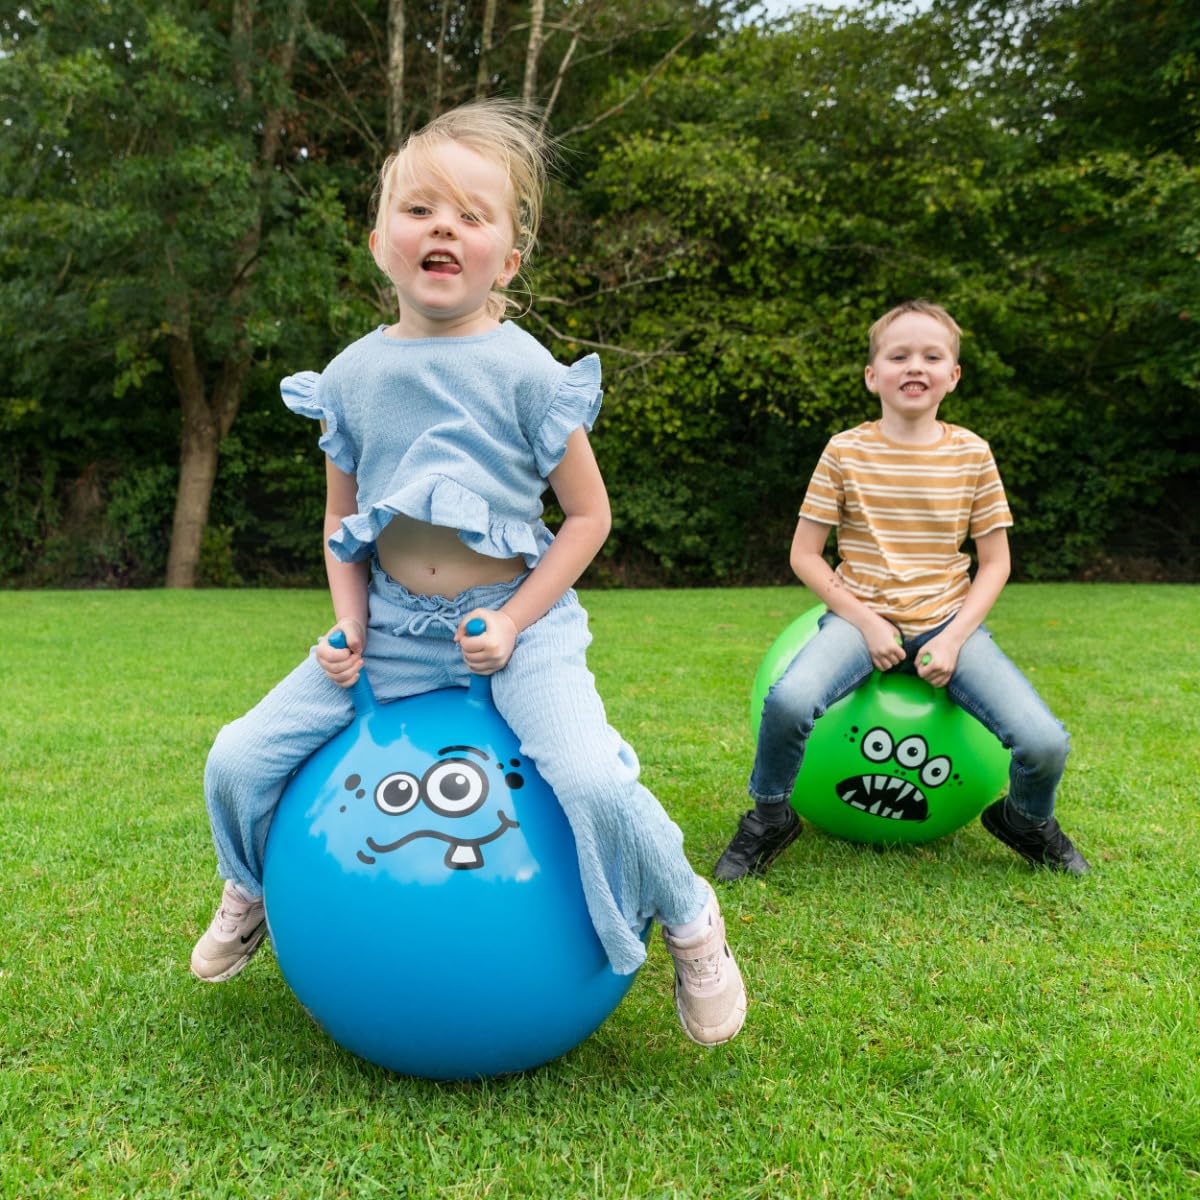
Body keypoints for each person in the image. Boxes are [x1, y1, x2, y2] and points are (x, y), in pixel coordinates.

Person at [189, 99, 746, 1046]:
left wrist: (519, 620)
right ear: (380, 241)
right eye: (421, 209)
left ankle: (693, 924)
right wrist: (349, 624)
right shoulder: (352, 377)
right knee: (237, 756)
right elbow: (340, 520)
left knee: (594, 780)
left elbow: (588, 515)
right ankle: (250, 888)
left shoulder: (528, 373)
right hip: (395, 632)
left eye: (472, 215)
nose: (443, 226)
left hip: (516, 625)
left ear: (508, 259)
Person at [715, 299, 1088, 882]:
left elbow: (995, 563)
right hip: (858, 620)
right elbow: (804, 555)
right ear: (873, 375)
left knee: (1045, 744)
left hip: (947, 623)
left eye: (932, 356)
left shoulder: (972, 454)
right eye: (899, 355)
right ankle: (768, 816)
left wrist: (957, 637)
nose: (915, 366)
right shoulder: (845, 451)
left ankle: (1025, 820)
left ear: (953, 375)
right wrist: (865, 622)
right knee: (788, 701)